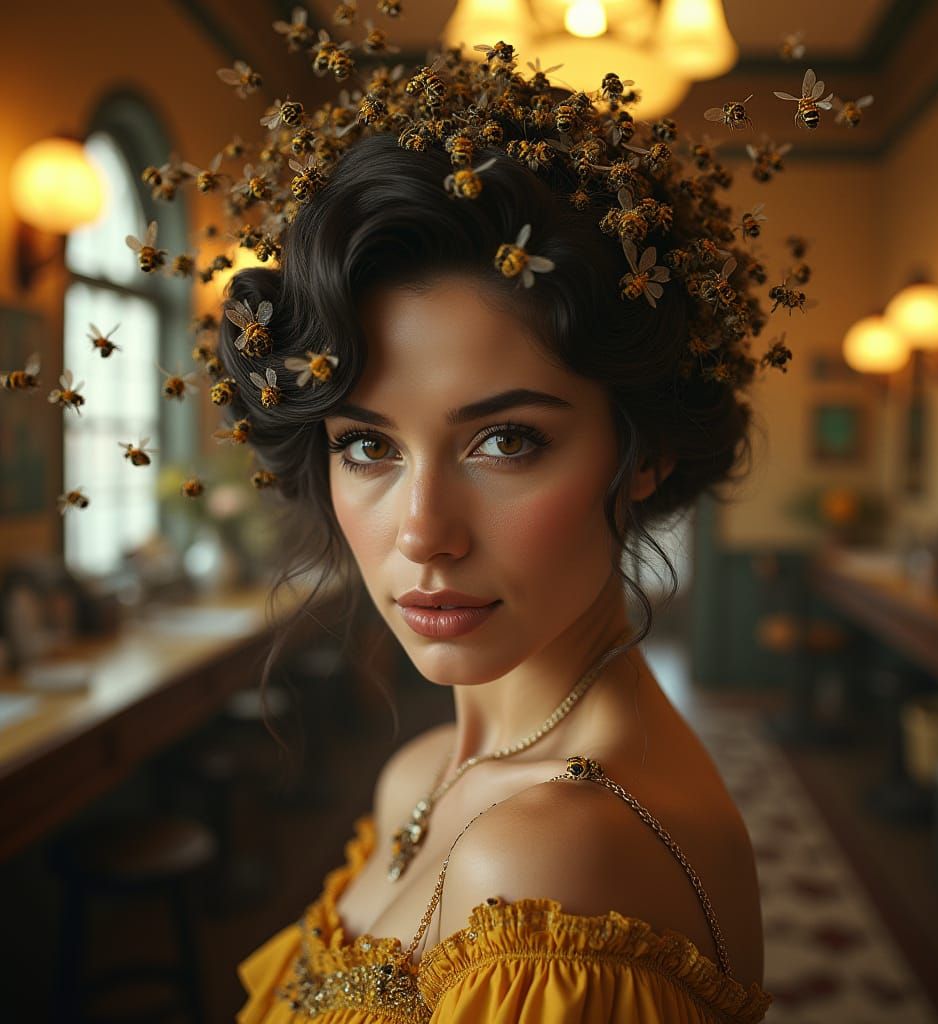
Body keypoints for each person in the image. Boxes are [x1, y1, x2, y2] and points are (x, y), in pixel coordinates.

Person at [131, 12, 806, 1021]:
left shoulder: (555, 853)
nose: (421, 531)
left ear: (643, 455)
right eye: (368, 444)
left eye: (506, 441)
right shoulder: (421, 773)